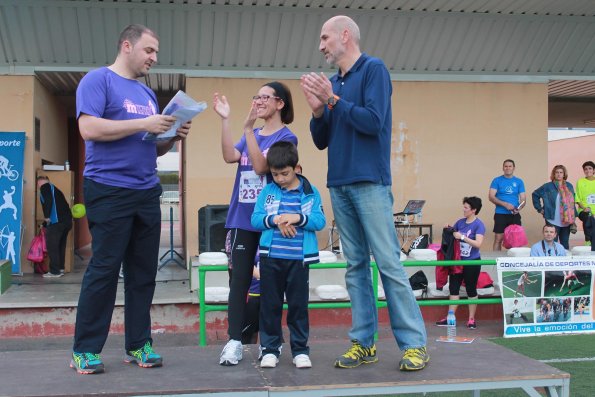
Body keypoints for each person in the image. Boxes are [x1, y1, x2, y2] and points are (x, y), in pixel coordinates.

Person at [300, 15, 429, 371]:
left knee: (388, 263)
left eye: (325, 37)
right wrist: (317, 111)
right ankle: (363, 343)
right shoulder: (334, 84)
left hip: (370, 182)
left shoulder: (374, 70)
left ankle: (414, 344)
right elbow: (322, 140)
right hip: (339, 183)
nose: (321, 45)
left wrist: (333, 100)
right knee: (355, 267)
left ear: (345, 35)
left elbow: (373, 122)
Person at [72, 24, 191, 374]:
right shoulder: (98, 81)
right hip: (108, 189)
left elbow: (151, 148)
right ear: (127, 45)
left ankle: (139, 344)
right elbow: (89, 129)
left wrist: (172, 136)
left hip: (145, 191)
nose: (154, 58)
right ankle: (85, 349)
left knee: (143, 274)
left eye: (156, 53)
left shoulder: (147, 95)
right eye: (149, 51)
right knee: (105, 270)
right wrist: (144, 125)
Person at [214, 81, 298, 366]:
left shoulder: (287, 137)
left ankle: (270, 344)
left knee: (271, 284)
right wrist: (226, 121)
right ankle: (234, 341)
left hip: (271, 221)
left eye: (265, 97)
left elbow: (263, 166)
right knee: (239, 281)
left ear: (280, 103)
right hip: (241, 218)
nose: (258, 102)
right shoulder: (253, 132)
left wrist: (248, 130)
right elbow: (229, 156)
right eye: (256, 97)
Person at [251, 141, 326, 369]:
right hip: (271, 258)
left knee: (298, 306)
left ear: (297, 168)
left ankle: (300, 350)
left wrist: (296, 218)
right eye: (275, 174)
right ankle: (270, 350)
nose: (280, 179)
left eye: (285, 173)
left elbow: (319, 221)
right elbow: (255, 219)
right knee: (270, 306)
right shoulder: (268, 192)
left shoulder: (311, 193)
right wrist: (277, 220)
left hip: (298, 261)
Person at [435, 197, 485, 329]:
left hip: (472, 262)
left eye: (466, 207)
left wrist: (463, 237)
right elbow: (453, 235)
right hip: (457, 261)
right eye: (463, 206)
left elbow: (478, 243)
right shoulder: (460, 222)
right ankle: (450, 316)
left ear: (474, 210)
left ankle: (471, 319)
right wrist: (449, 229)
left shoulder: (479, 225)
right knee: (454, 287)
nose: (463, 209)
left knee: (471, 289)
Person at [532, 165, 577, 250]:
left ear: (564, 174)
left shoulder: (569, 186)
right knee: (551, 244)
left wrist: (574, 217)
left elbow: (572, 202)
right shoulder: (547, 186)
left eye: (561, 172)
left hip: (566, 221)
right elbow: (535, 194)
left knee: (565, 244)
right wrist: (540, 209)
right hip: (552, 220)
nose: (559, 174)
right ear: (554, 174)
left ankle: (564, 262)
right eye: (557, 172)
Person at [37, 176, 73, 278]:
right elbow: (58, 207)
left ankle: (54, 271)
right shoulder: (55, 189)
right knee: (61, 245)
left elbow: (48, 201)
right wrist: (44, 224)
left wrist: (47, 216)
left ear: (39, 182)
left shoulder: (45, 187)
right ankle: (60, 268)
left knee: (52, 246)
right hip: (67, 221)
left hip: (57, 223)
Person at [488, 159, 526, 250]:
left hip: (514, 215)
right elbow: (491, 197)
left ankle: (513, 263)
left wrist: (519, 208)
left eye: (510, 166)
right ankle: (496, 262)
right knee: (498, 239)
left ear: (514, 168)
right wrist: (505, 204)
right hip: (500, 214)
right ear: (503, 168)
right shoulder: (497, 180)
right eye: (506, 166)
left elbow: (523, 199)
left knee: (515, 240)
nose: (508, 168)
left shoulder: (519, 181)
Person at [575, 160, 595, 250]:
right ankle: (588, 240)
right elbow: (577, 198)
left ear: (594, 170)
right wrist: (584, 208)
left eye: (590, 168)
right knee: (588, 217)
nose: (588, 171)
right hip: (583, 210)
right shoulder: (580, 182)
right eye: (585, 169)